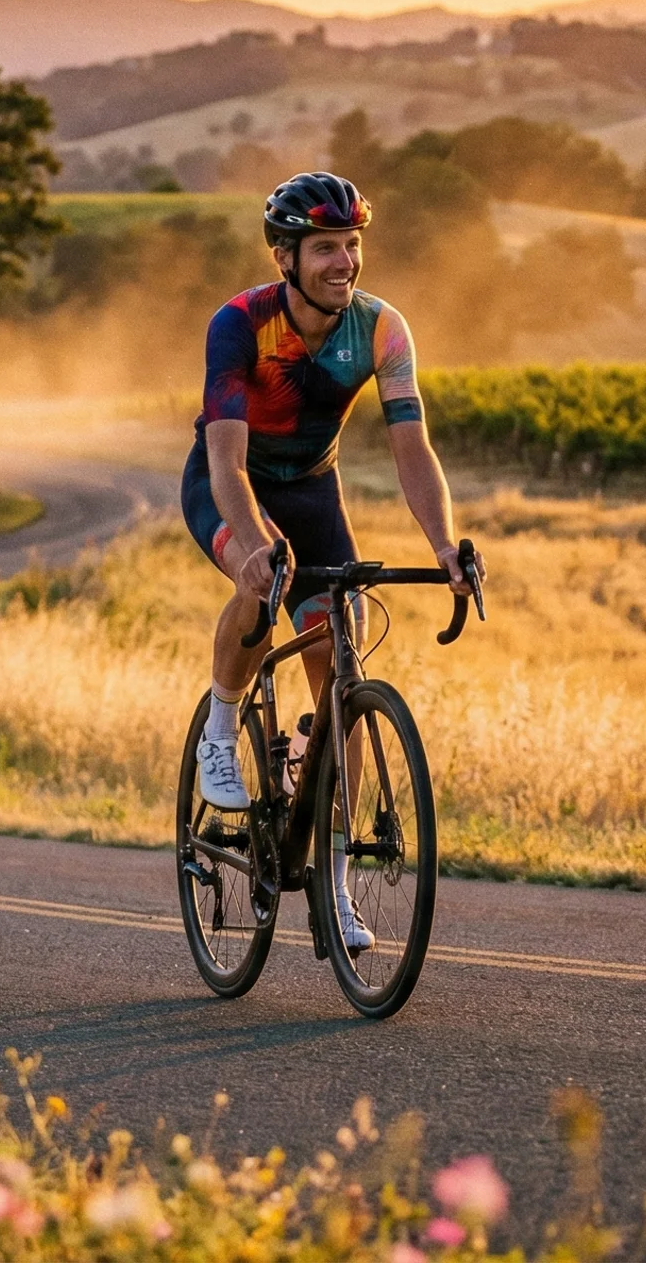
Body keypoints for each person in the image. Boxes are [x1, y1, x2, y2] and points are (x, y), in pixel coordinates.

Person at [182, 171, 478, 949]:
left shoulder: (383, 330)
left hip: (314, 493)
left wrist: (444, 547)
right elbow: (225, 461)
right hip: (231, 486)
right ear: (285, 255)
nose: (344, 261)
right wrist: (252, 542)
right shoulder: (241, 325)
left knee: (337, 677)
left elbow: (413, 450)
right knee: (260, 580)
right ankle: (220, 725)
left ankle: (334, 888)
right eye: (325, 248)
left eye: (351, 245)